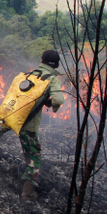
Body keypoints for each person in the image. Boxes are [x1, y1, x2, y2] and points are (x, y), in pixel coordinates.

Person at [15, 50, 65, 200]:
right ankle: (28, 192)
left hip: (15, 117)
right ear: (56, 65)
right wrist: (48, 102)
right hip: (29, 125)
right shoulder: (52, 79)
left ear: (42, 61)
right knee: (34, 158)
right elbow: (58, 100)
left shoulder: (30, 74)